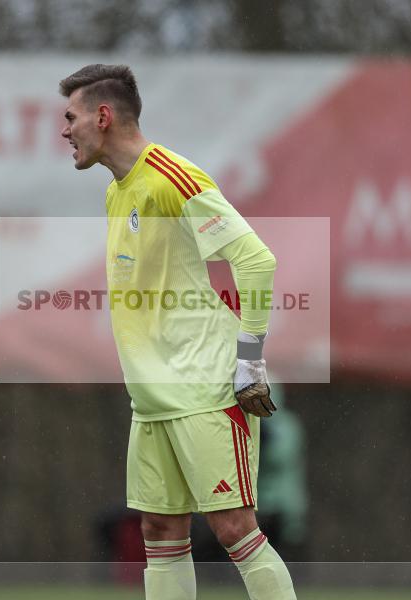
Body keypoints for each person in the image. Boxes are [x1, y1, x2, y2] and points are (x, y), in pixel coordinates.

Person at [59, 64, 296, 600]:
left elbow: (256, 260)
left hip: (206, 390)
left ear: (103, 116)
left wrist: (250, 361)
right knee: (160, 533)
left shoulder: (172, 176)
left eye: (70, 117)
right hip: (153, 400)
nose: (64, 130)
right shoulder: (117, 192)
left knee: (236, 530)